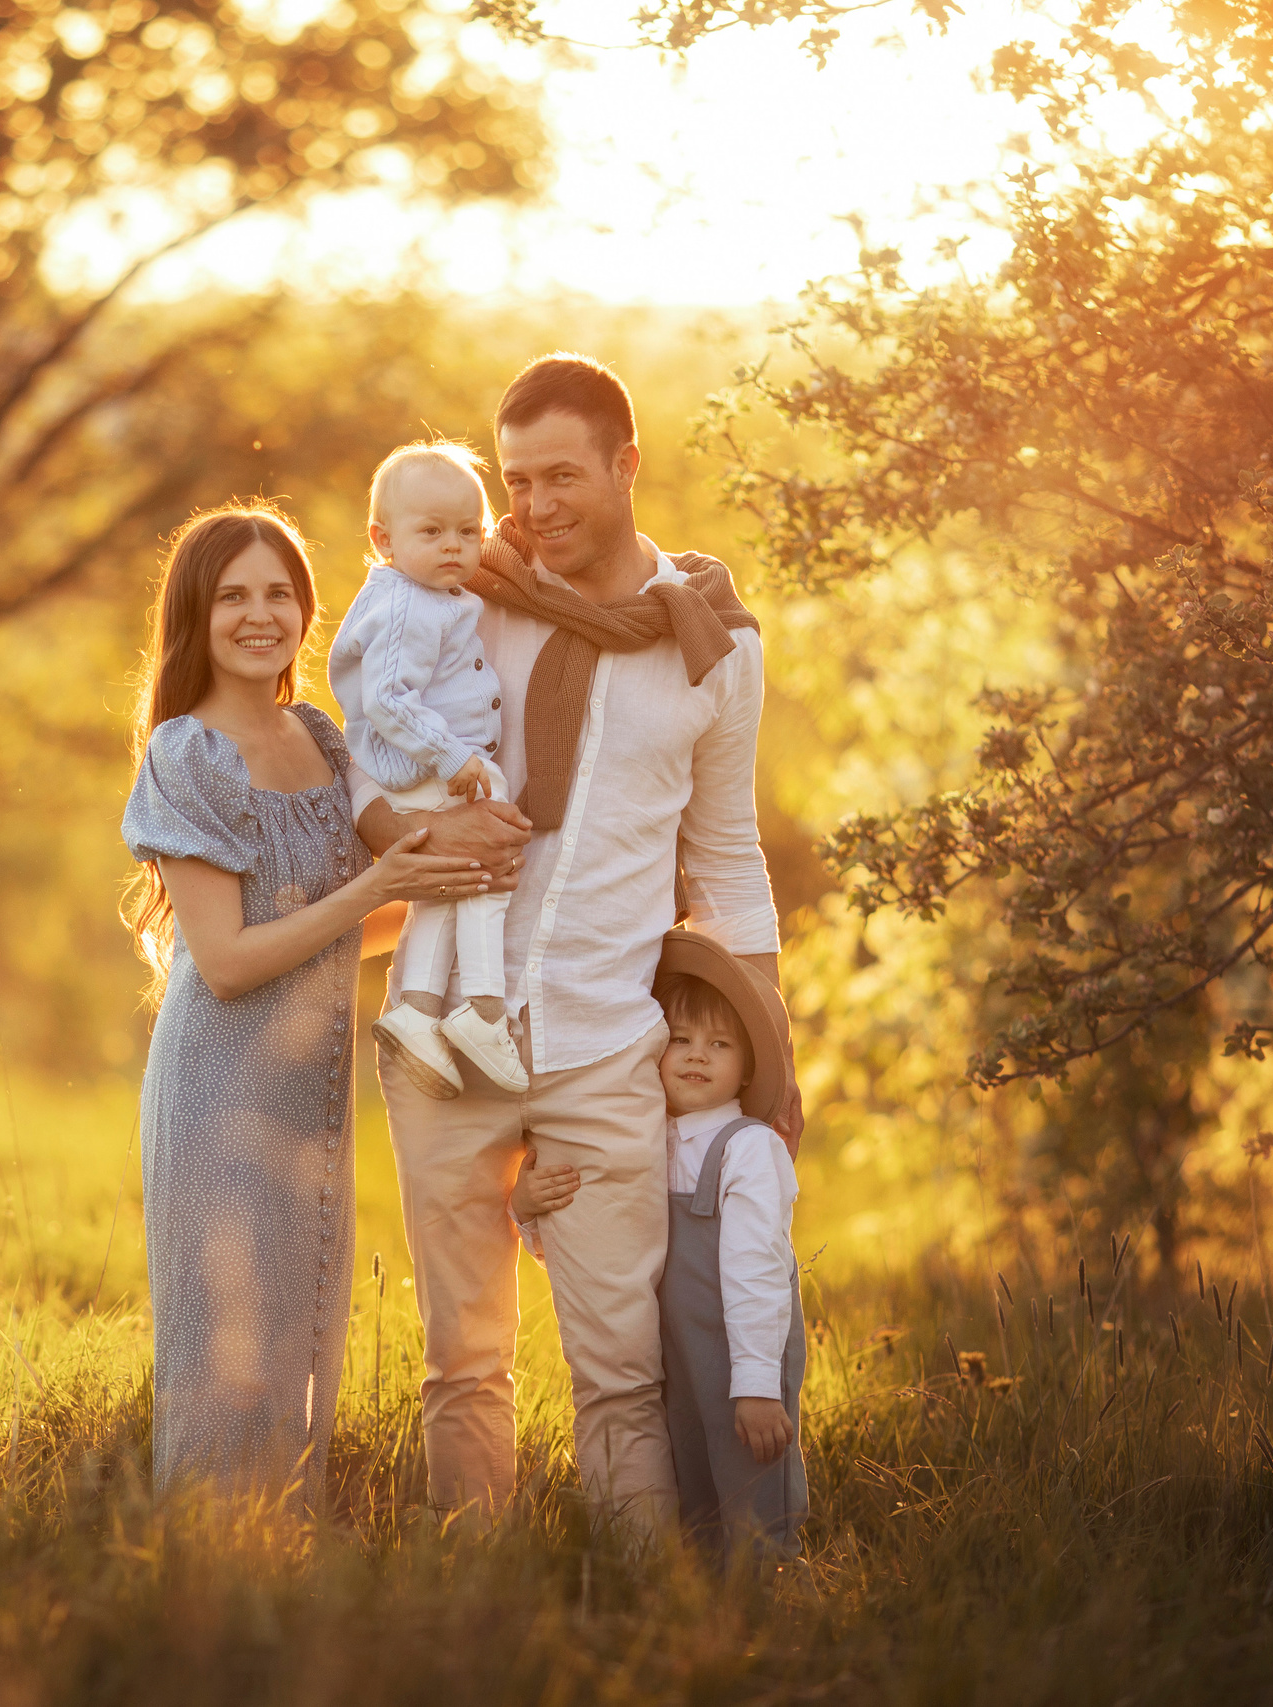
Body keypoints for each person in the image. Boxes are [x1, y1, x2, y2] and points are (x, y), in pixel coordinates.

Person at [352, 352, 803, 1533]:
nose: (533, 507)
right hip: (449, 1037)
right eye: (514, 480)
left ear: (625, 465)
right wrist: (425, 824)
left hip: (608, 1051)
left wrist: (770, 1050)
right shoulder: (469, 601)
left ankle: (650, 1621)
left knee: (620, 1373)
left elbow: (726, 856)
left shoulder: (713, 649)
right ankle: (477, 1611)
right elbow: (372, 764)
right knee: (463, 1365)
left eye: (560, 476)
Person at [119, 503, 556, 1505]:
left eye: (279, 593)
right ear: (195, 614)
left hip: (310, 1107)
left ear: (309, 610)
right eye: (233, 596)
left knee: (302, 1346)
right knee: (227, 1359)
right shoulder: (186, 755)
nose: (259, 614)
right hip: (217, 1094)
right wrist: (374, 889)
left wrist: (471, 877)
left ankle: (285, 1569)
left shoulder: (318, 734)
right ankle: (204, 1571)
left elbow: (362, 923)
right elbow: (225, 960)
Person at [326, 442, 526, 1100]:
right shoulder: (408, 603)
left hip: (433, 763)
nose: (454, 546)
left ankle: (416, 1009)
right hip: (434, 765)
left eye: (470, 531)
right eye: (432, 531)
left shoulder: (423, 595)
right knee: (488, 864)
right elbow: (386, 699)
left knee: (445, 886)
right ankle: (485, 1009)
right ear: (383, 539)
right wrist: (456, 757)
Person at [645, 935, 807, 1560]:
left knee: (751, 1467)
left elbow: (757, 1271)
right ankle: (703, 1595)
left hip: (742, 1347)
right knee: (689, 1465)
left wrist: (758, 1382)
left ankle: (770, 1588)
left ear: (747, 1065)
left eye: (719, 1044)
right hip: (674, 1349)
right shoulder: (649, 1140)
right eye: (680, 1040)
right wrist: (528, 1208)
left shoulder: (747, 1148)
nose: (696, 1056)